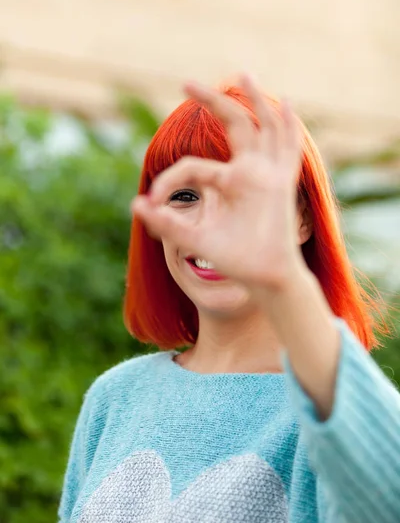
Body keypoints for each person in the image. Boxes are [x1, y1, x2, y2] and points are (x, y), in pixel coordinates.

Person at [58, 75, 400, 523]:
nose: (211, 225)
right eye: (184, 196)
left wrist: (282, 280)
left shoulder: (328, 412)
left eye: (242, 196)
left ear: (304, 220)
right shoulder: (115, 397)